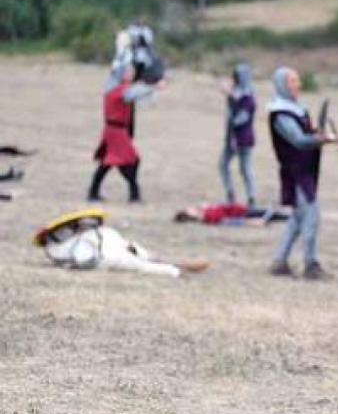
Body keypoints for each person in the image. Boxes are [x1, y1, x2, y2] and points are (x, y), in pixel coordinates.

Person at [268, 67, 337, 280]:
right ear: (283, 85)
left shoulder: (295, 109)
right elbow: (297, 139)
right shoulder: (281, 114)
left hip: (305, 169)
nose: (298, 85)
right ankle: (310, 264)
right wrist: (321, 139)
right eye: (293, 81)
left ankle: (280, 261)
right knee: (311, 216)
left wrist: (319, 136)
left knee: (298, 218)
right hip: (295, 171)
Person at [35, 208, 207, 279]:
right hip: (105, 253)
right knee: (139, 260)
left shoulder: (54, 250)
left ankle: (174, 266)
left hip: (103, 252)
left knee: (138, 258)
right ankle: (175, 268)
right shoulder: (64, 245)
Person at [88, 61, 161, 202]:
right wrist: (153, 86)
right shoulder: (117, 90)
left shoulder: (115, 88)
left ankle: (94, 192)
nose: (131, 74)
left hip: (115, 131)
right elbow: (132, 93)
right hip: (116, 132)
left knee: (109, 163)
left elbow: (138, 95)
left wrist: (150, 89)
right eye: (128, 72)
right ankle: (134, 194)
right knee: (128, 161)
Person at [219, 63, 257, 206]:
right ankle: (230, 193)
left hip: (243, 139)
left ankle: (251, 196)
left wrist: (231, 97)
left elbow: (241, 118)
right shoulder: (236, 94)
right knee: (223, 165)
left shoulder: (247, 97)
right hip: (231, 138)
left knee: (245, 168)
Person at [173, 201, 286, 226]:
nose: (193, 207)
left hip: (242, 209)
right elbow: (230, 221)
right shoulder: (209, 218)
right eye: (190, 210)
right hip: (243, 214)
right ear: (191, 216)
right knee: (273, 215)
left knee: (273, 213)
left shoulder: (205, 210)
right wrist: (252, 223)